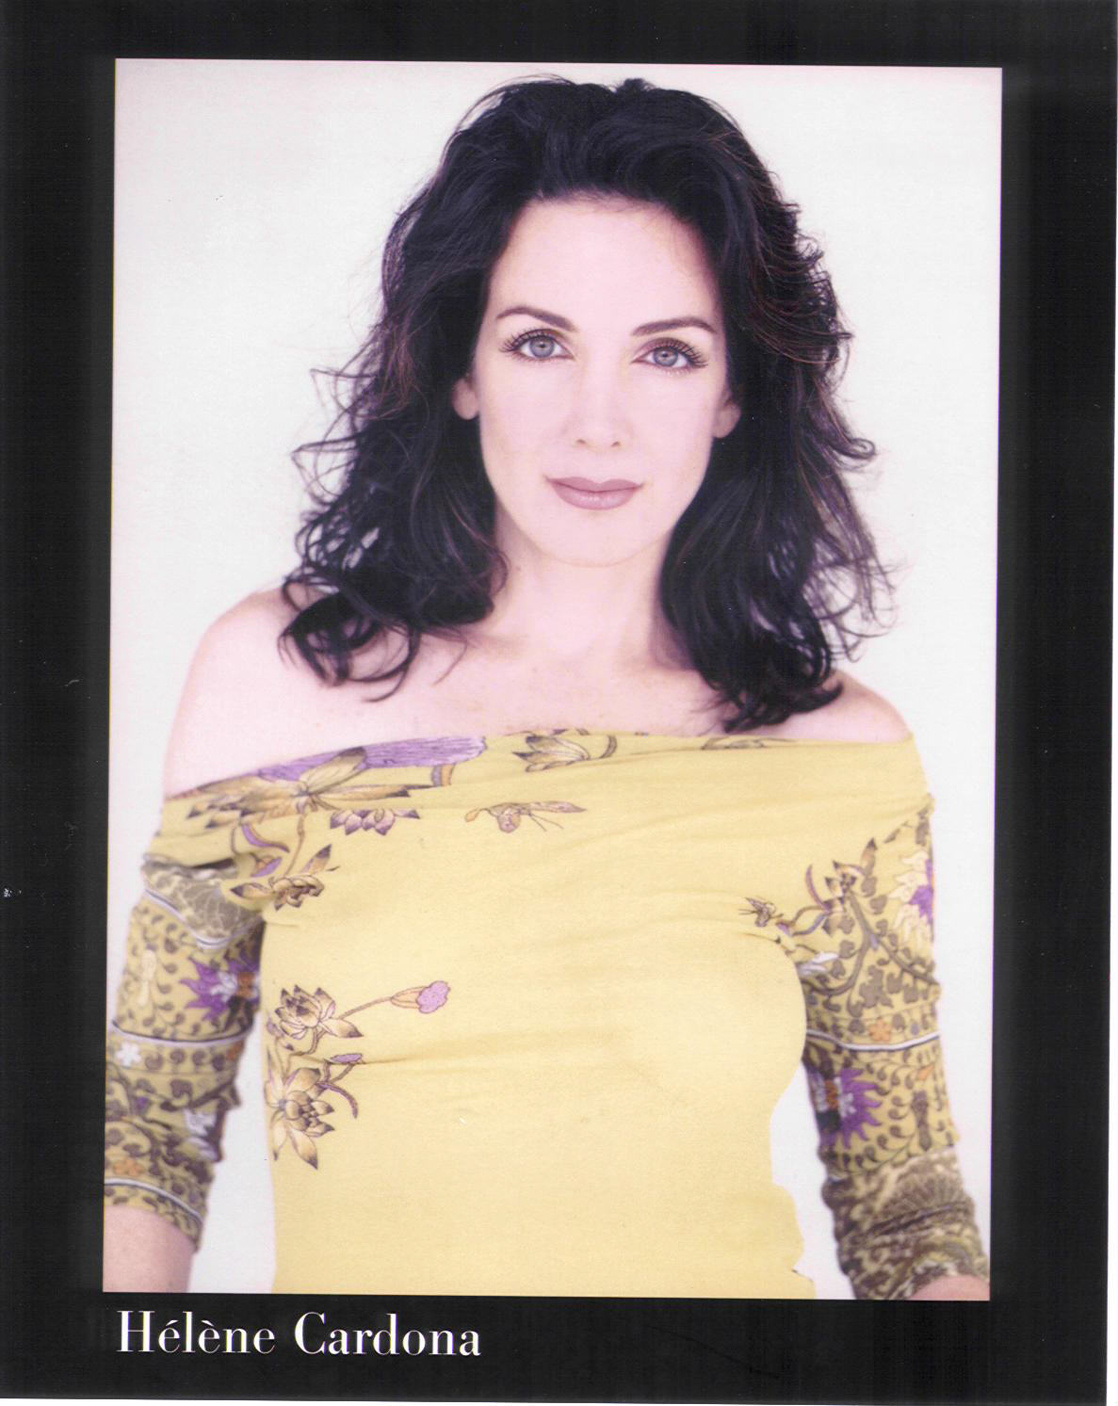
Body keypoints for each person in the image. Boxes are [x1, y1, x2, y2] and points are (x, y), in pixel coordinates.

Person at [104, 75, 989, 1299]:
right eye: (539, 342)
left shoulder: (836, 755)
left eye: (665, 353)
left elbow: (908, 1212)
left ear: (732, 392)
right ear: (459, 366)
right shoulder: (278, 679)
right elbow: (144, 1136)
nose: (596, 424)